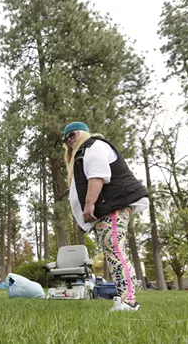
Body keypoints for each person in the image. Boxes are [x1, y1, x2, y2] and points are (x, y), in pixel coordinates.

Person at [63, 122, 149, 312]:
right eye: (66, 137)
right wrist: (81, 219)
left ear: (84, 132)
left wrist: (89, 205)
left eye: (73, 134)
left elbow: (97, 176)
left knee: (114, 248)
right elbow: (80, 189)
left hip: (115, 204)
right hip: (105, 208)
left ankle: (129, 301)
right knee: (112, 250)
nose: (70, 139)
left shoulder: (94, 145)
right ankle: (124, 297)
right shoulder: (81, 153)